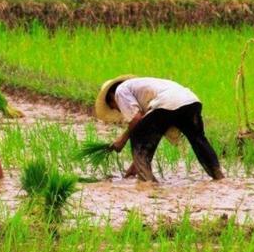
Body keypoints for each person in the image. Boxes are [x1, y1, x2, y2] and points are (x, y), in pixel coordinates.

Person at [94, 75, 224, 182]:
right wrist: (136, 164)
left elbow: (136, 119)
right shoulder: (144, 85)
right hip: (191, 101)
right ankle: (219, 177)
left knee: (137, 134)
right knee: (198, 140)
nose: (118, 109)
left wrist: (122, 140)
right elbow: (152, 135)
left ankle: (148, 184)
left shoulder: (120, 91)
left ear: (111, 97)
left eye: (113, 107)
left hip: (167, 103)